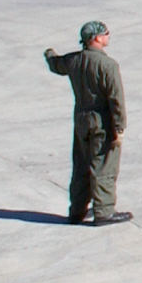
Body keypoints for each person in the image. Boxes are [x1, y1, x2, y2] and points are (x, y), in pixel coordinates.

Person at [45, 21, 129, 226]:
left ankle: (77, 211)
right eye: (106, 33)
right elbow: (116, 99)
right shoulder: (107, 65)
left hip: (81, 119)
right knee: (103, 165)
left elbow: (56, 64)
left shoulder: (73, 60)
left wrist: (49, 54)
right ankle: (104, 211)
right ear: (97, 38)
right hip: (102, 122)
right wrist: (119, 127)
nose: (108, 35)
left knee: (81, 164)